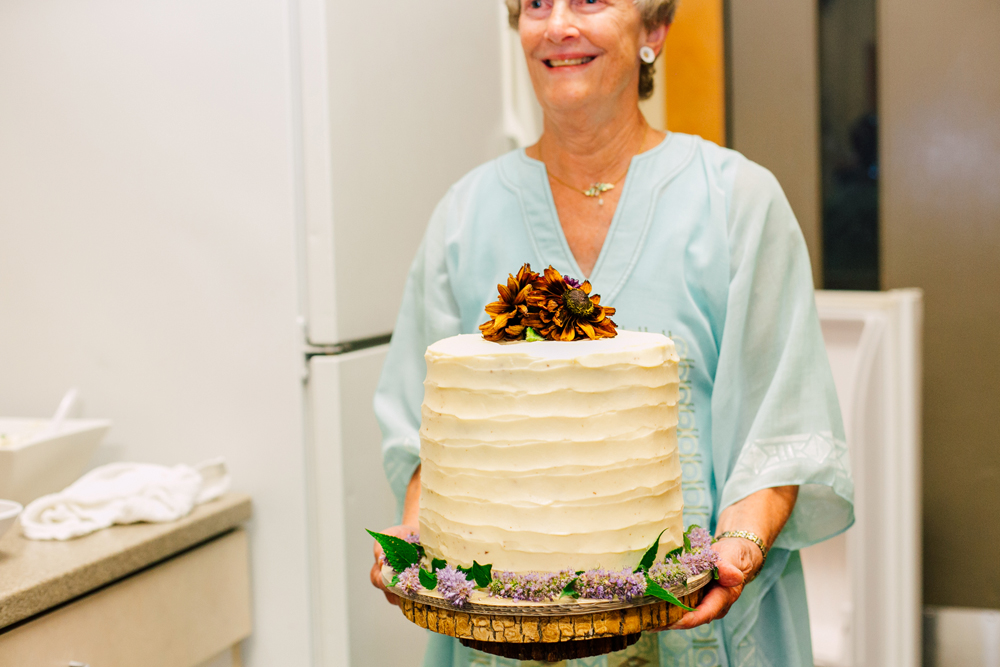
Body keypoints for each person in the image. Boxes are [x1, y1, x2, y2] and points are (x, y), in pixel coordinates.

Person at [371, 1, 854, 665]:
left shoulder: (737, 203)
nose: (559, 25)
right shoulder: (464, 217)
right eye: (536, 3)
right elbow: (432, 442)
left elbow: (782, 428)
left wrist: (734, 550)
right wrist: (422, 533)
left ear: (653, 30)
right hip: (504, 640)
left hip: (699, 636)